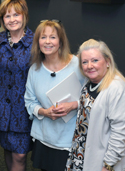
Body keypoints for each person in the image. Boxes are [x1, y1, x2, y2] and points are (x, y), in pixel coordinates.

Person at [24, 20, 86, 171]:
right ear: (37, 42)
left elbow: (93, 96)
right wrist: (45, 112)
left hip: (72, 138)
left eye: (52, 37)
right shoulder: (35, 70)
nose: (47, 42)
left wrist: (73, 105)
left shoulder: (78, 65)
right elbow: (29, 102)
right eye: (43, 37)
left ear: (61, 41)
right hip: (45, 138)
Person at [65, 39, 125, 171]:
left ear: (107, 62)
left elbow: (120, 134)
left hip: (101, 161)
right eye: (85, 62)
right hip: (81, 152)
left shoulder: (117, 89)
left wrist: (107, 165)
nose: (89, 66)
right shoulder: (91, 82)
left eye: (95, 60)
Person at [0, 0, 34, 171]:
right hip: (2, 105)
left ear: (24, 16)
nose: (12, 19)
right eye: (7, 16)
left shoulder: (35, 41)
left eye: (16, 14)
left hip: (23, 107)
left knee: (20, 154)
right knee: (8, 147)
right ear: (2, 20)